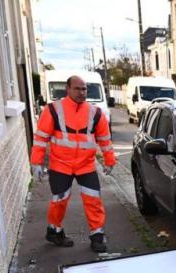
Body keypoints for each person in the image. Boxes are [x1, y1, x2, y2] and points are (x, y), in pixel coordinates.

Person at [30, 75, 115, 252]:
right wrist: (36, 162)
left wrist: (109, 160)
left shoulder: (95, 112)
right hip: (61, 165)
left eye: (84, 89)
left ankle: (97, 236)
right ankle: (54, 232)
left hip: (86, 165)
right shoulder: (53, 109)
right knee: (59, 200)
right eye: (77, 88)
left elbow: (105, 139)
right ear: (67, 89)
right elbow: (40, 138)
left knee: (93, 200)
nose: (81, 92)